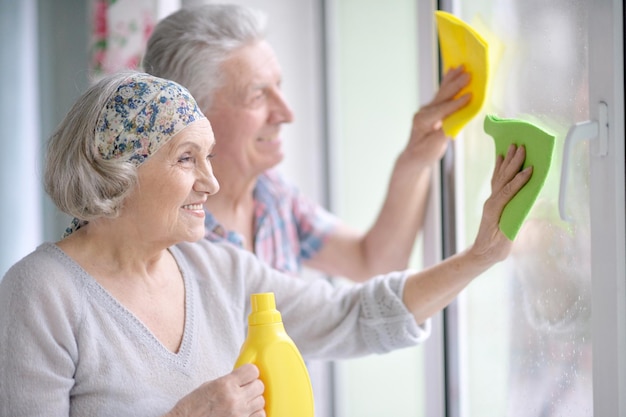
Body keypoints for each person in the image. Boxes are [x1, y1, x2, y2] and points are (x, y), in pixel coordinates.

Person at [0, 71, 530, 416]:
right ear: (118, 170)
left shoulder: (221, 270)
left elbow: (353, 313)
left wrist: (480, 256)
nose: (211, 182)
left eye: (209, 158)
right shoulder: (42, 293)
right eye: (187, 158)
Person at [142, 4, 472, 279]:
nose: (286, 114)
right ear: (191, 116)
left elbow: (370, 262)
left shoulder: (272, 195)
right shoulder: (159, 233)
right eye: (258, 96)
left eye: (278, 87)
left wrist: (415, 160)